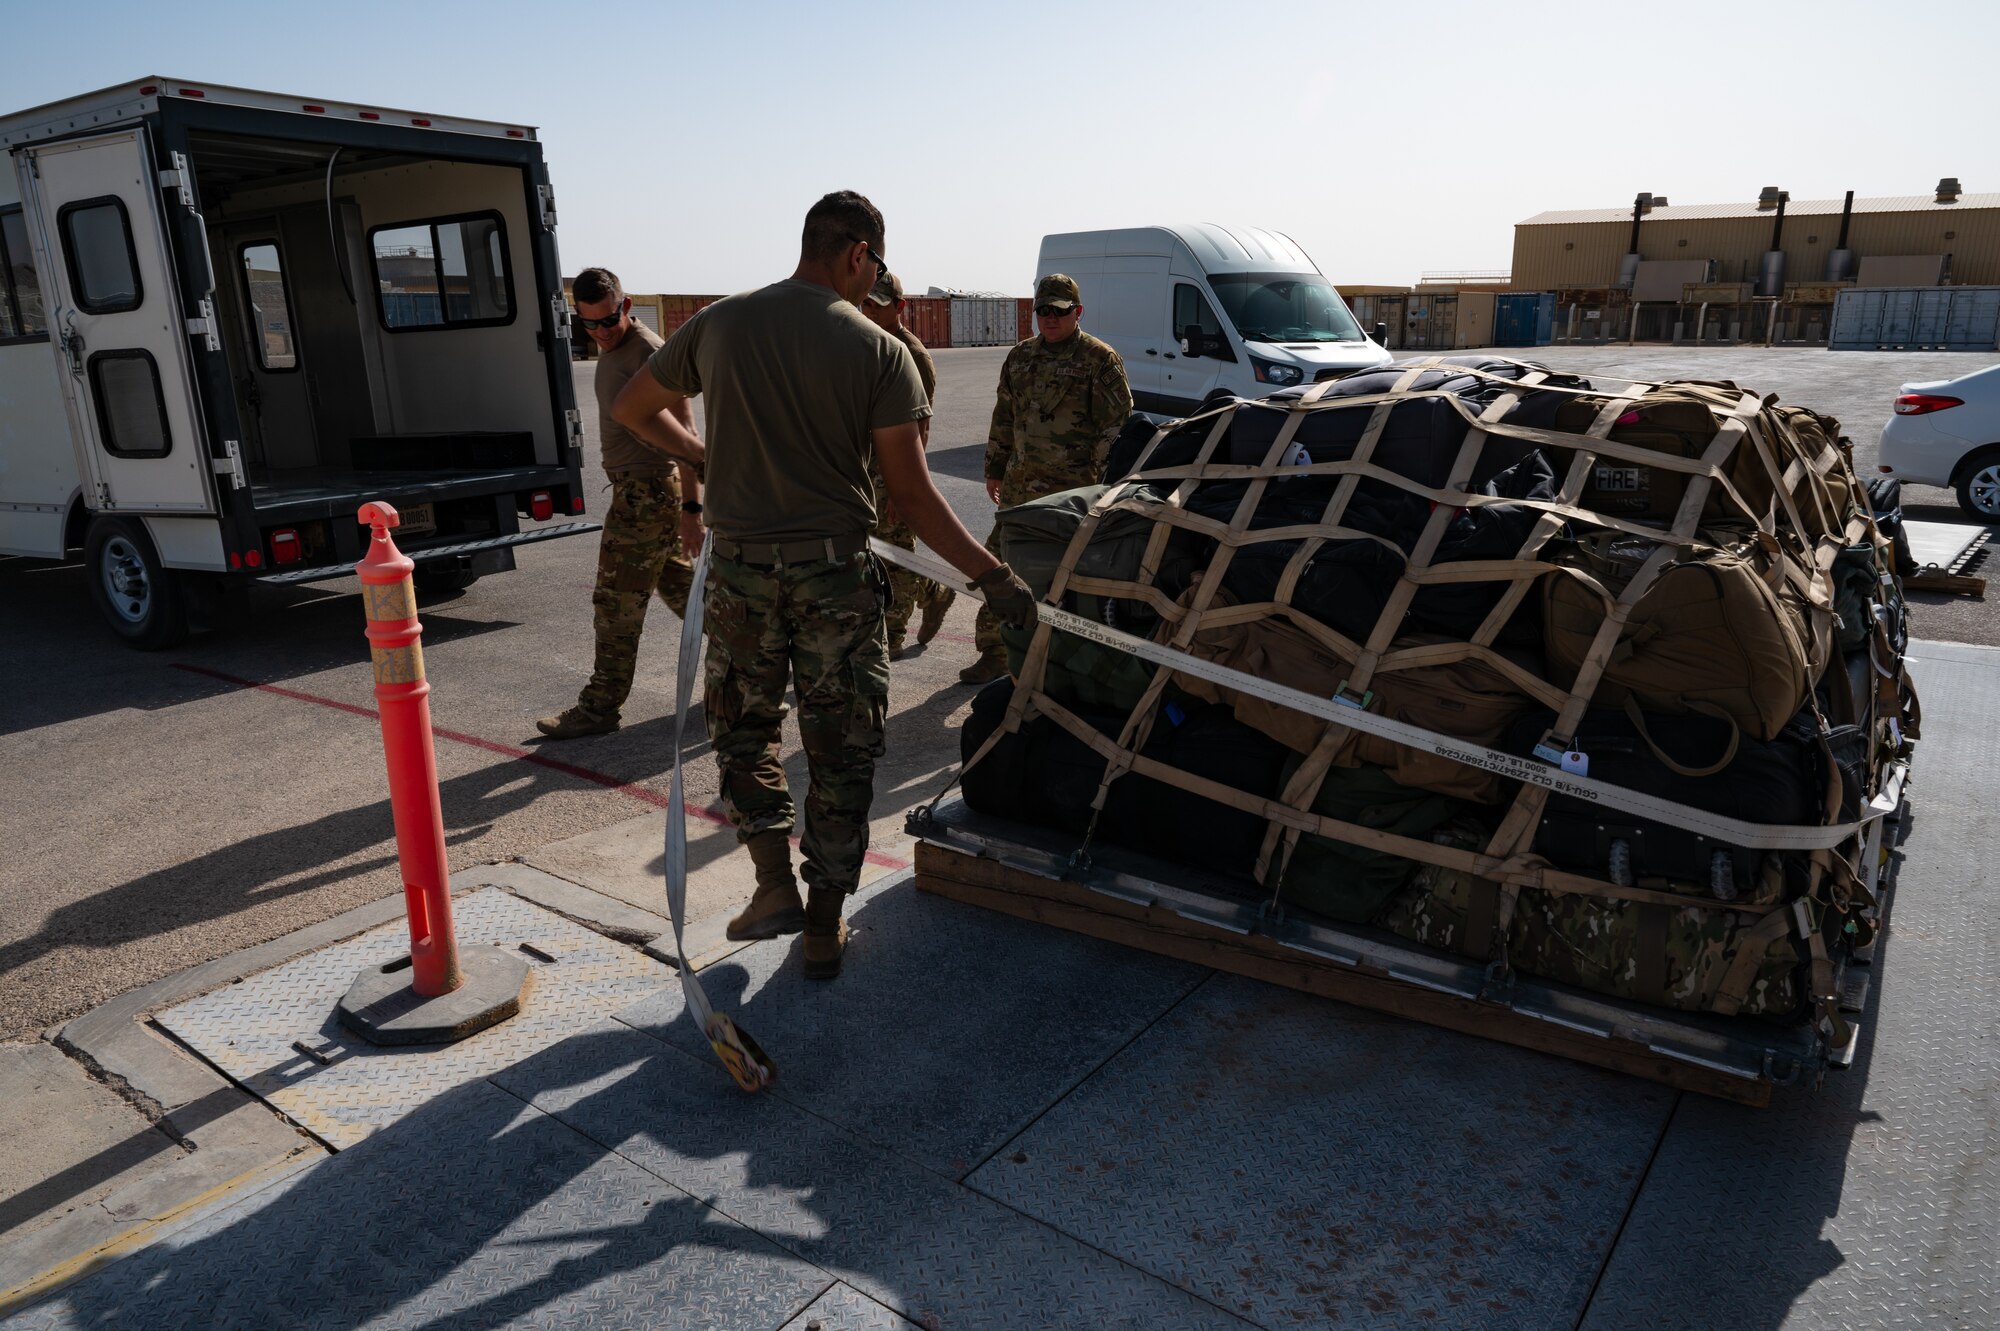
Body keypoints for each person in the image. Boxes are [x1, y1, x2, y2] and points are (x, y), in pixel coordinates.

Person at [611, 191, 1035, 980]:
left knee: (743, 731)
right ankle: (822, 924)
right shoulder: (880, 351)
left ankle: (773, 882)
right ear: (858, 255)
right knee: (840, 750)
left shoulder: (720, 322)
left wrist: (704, 458)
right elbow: (914, 497)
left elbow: (634, 406)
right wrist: (997, 581)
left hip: (739, 573)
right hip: (834, 578)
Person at [536, 267, 705, 739]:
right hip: (641, 494)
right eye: (589, 325)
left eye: (608, 321)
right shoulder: (613, 349)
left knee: (615, 605)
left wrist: (692, 510)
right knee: (691, 597)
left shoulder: (650, 352)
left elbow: (688, 435)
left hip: (647, 495)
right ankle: (759, 668)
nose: (601, 333)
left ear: (625, 307)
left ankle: (600, 706)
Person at [960, 273, 1132, 685]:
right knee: (998, 570)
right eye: (1042, 310)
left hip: (1072, 498)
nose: (1049, 318)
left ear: (1078, 313)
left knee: (1066, 580)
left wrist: (1106, 485)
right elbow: (1004, 417)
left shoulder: (1098, 359)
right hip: (1020, 490)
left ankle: (1061, 660)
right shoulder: (1020, 357)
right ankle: (994, 652)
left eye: (1059, 311)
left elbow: (1117, 427)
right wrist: (994, 469)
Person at [858, 267, 954, 656]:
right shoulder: (864, 342)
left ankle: (892, 635)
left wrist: (906, 486)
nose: (869, 312)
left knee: (895, 552)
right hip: (862, 469)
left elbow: (920, 429)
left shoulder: (913, 355)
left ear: (899, 306)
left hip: (892, 471)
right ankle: (933, 590)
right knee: (871, 549)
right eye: (864, 304)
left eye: (878, 306)